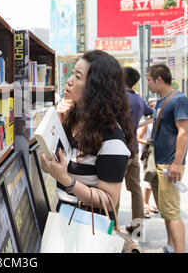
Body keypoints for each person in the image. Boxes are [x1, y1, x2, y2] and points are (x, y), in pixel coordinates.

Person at [40, 50, 134, 223]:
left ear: (95, 88)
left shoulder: (111, 138)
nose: (69, 81)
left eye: (78, 76)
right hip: (61, 218)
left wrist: (67, 181)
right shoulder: (71, 119)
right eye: (72, 74)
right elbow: (59, 166)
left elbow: (109, 200)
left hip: (87, 227)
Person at [147, 64, 188, 253]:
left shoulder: (179, 100)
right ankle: (170, 246)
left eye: (149, 80)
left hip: (169, 164)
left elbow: (183, 133)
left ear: (158, 79)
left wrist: (176, 163)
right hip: (158, 161)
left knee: (172, 212)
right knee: (165, 209)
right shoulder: (159, 100)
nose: (147, 84)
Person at [118, 67, 154, 234]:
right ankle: (138, 227)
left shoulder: (118, 98)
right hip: (134, 150)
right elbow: (154, 114)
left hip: (118, 151)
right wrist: (139, 125)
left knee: (113, 188)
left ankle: (112, 227)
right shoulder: (139, 100)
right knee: (136, 190)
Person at [137, 99, 159, 219]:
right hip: (147, 155)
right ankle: (145, 205)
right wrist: (149, 143)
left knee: (152, 180)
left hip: (155, 154)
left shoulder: (157, 123)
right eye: (155, 107)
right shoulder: (146, 124)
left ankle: (148, 203)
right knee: (148, 179)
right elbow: (138, 138)